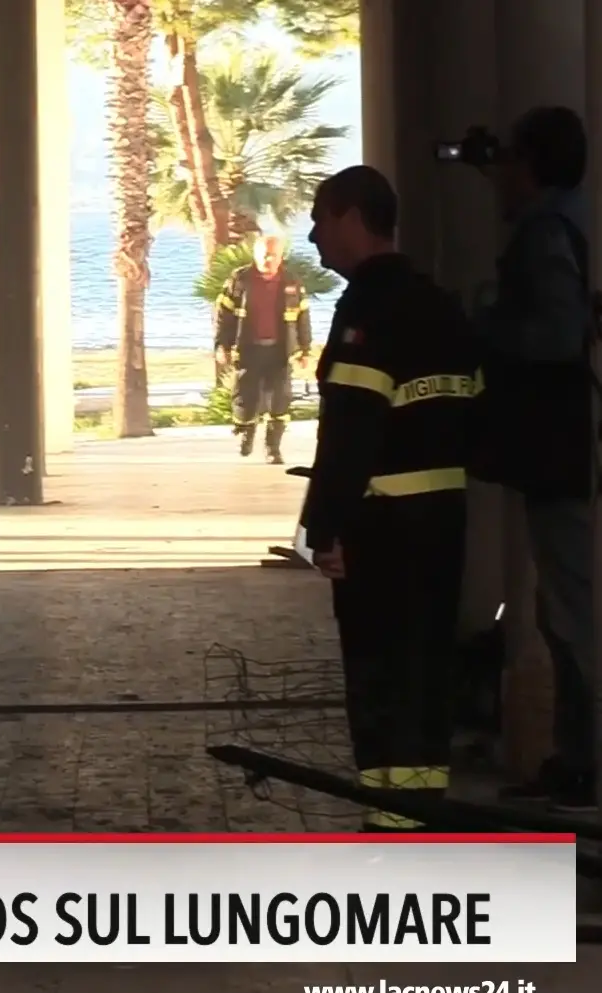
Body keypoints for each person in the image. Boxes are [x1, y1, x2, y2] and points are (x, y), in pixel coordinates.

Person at [303, 165, 484, 832]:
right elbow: (475, 408)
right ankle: (417, 806)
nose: (314, 234)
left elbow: (350, 430)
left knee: (379, 668)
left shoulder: (368, 310)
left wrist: (325, 528)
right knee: (426, 666)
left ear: (353, 217)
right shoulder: (439, 302)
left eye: (321, 218)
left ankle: (390, 818)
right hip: (443, 516)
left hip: (382, 523)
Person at [471, 105, 596, 814]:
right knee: (562, 606)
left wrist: (486, 323)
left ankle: (585, 761)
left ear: (532, 165)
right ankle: (576, 757)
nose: (500, 179)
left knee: (572, 609)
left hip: (560, 447)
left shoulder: (547, 233)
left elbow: (554, 334)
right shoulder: (565, 222)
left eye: (509, 163)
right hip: (561, 447)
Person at [214, 232, 313, 464]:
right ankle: (246, 432)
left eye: (274, 256)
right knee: (246, 399)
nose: (269, 260)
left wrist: (305, 350)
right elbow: (224, 317)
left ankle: (273, 449)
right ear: (256, 254)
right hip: (248, 350)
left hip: (280, 351)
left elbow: (303, 318)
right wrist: (222, 345)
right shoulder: (240, 280)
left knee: (280, 399)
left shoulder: (292, 283)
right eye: (265, 255)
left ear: (281, 257)